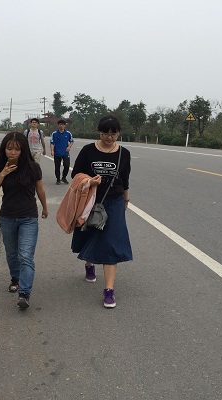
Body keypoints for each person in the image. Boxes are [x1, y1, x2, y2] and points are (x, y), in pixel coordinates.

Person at [70, 115, 132, 308]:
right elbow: (75, 174)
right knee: (91, 234)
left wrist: (126, 199)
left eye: (114, 134)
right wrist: (90, 181)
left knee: (110, 242)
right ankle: (89, 264)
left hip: (114, 201)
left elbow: (125, 179)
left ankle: (109, 290)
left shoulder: (124, 153)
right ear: (99, 132)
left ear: (118, 133)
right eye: (106, 133)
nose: (109, 137)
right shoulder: (88, 150)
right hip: (91, 200)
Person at [0, 132, 49, 310]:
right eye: (9, 148)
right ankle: (16, 278)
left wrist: (45, 208)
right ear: (4, 149)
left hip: (28, 217)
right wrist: (3, 173)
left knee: (26, 256)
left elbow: (40, 190)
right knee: (12, 254)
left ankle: (24, 293)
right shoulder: (0, 166)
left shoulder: (33, 167)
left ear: (23, 150)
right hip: (7, 217)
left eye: (17, 149)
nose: (13, 152)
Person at [49, 119, 74, 185]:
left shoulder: (68, 133)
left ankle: (64, 177)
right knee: (57, 167)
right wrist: (52, 150)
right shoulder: (54, 134)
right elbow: (52, 143)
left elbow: (72, 141)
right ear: (58, 125)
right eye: (60, 124)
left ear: (64, 125)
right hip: (57, 153)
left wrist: (69, 146)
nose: (61, 126)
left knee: (67, 166)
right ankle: (58, 179)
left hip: (65, 153)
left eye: (62, 124)